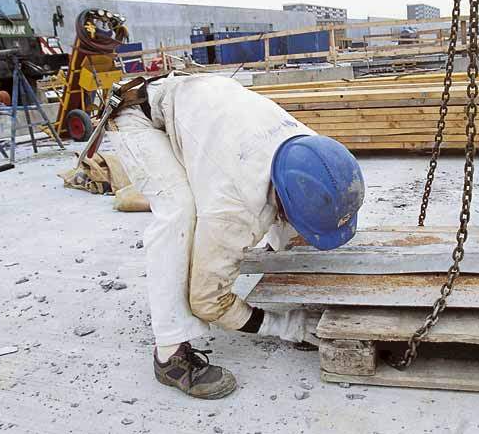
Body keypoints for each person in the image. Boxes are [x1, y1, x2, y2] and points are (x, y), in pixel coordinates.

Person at [107, 74, 365, 400]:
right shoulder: (235, 206)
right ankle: (169, 355)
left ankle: (277, 251)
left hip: (198, 105)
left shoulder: (313, 147)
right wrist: (286, 325)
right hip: (140, 114)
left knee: (276, 215)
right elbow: (207, 302)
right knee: (179, 212)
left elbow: (306, 199)